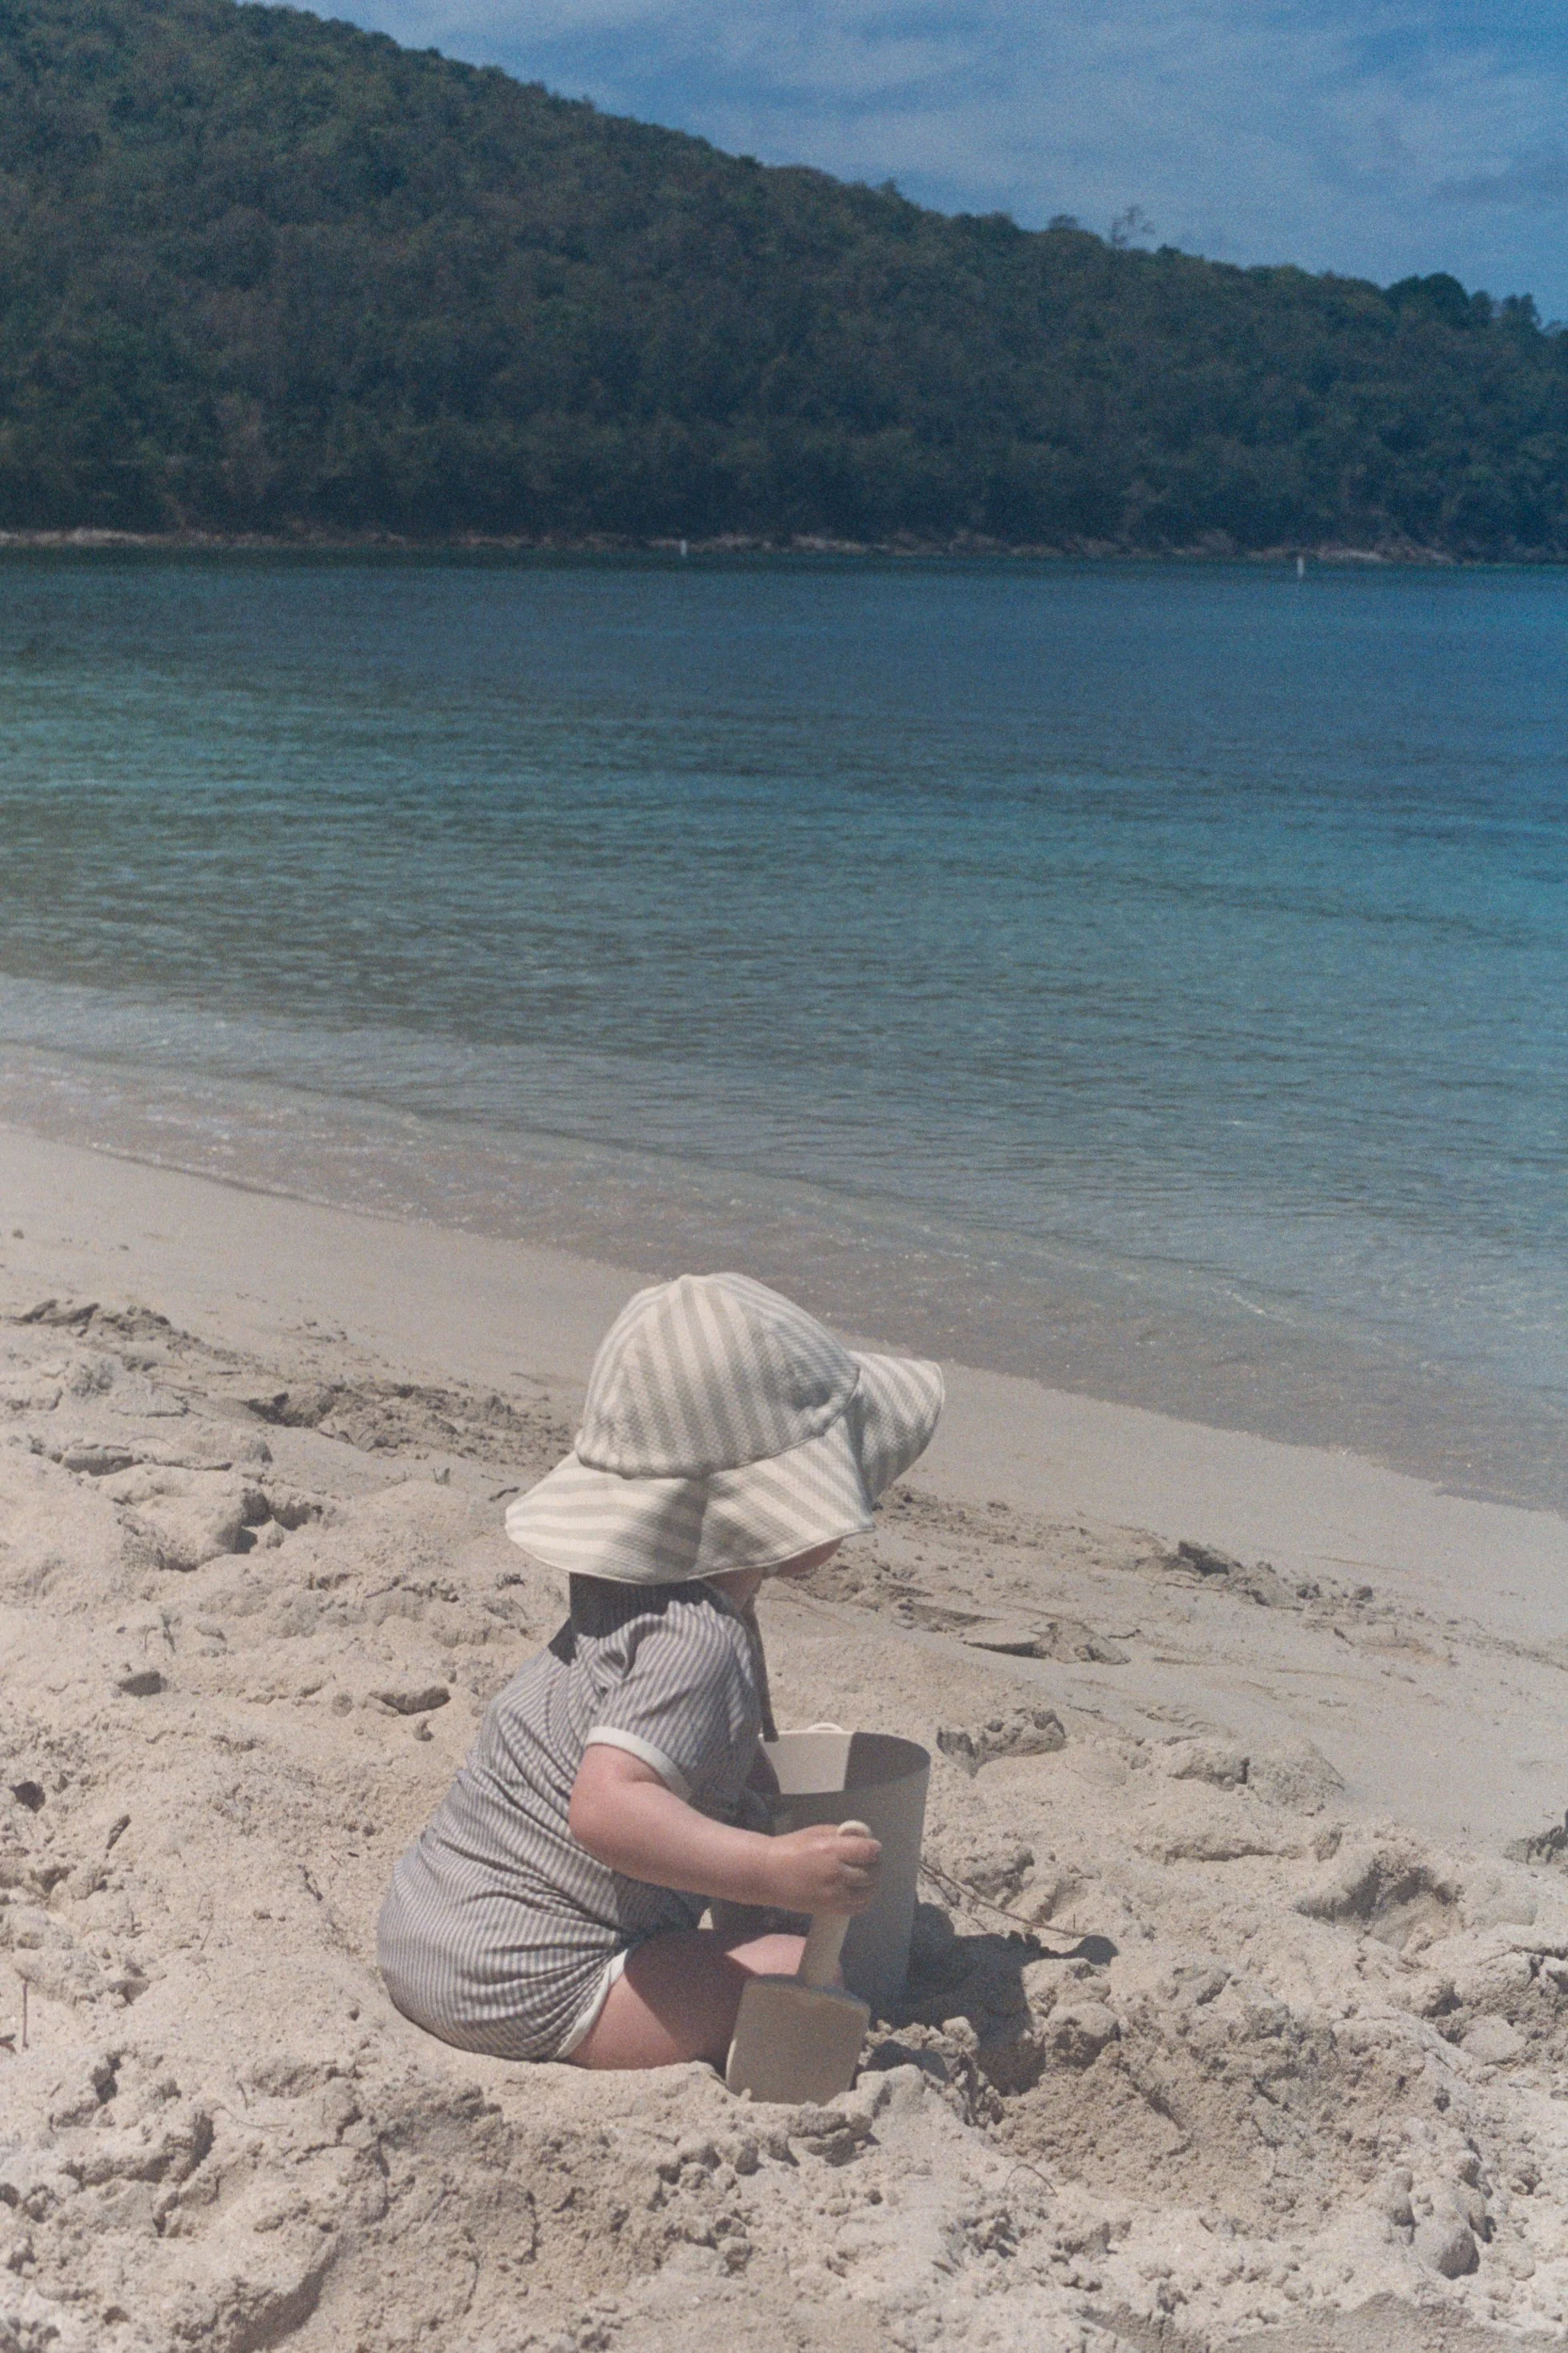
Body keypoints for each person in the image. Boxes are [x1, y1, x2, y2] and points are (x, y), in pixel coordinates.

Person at [377, 1271, 942, 2071]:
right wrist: (776, 1870)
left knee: (753, 1933)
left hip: (425, 1927)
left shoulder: (626, 1590)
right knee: (793, 1971)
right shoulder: (697, 1643)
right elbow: (607, 1810)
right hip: (525, 1980)